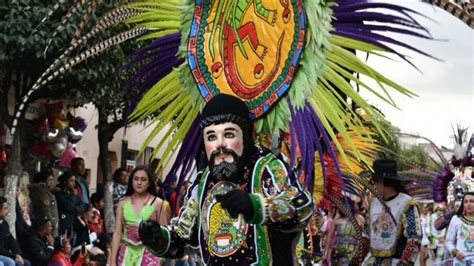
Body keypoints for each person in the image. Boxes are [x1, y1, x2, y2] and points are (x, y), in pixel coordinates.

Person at [138, 94, 313, 265]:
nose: (219, 145)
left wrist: (257, 207)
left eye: (229, 134)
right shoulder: (204, 180)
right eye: (211, 137)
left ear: (248, 134)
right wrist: (157, 238)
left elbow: (302, 205)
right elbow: (181, 237)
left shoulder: (267, 167)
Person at [110, 165, 171, 266]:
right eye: (136, 179)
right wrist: (112, 261)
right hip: (125, 255)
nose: (139, 182)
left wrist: (161, 260)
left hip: (150, 256)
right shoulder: (122, 202)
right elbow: (117, 233)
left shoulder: (158, 203)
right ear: (131, 181)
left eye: (143, 179)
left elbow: (164, 233)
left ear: (149, 183)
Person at [366, 159, 422, 265]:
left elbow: (414, 237)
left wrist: (404, 262)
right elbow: (366, 235)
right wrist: (355, 261)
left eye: (375, 182)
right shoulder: (374, 203)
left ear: (384, 182)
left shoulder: (407, 204)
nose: (373, 186)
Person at [54, 172, 85, 242]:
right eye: (71, 181)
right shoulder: (59, 192)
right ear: (65, 181)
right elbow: (67, 206)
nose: (74, 183)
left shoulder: (74, 191)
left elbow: (82, 206)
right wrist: (73, 196)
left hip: (73, 223)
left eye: (74, 181)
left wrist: (75, 209)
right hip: (63, 223)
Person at [0, 196, 31, 266]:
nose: (7, 211)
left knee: (26, 263)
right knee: (11, 262)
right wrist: (14, 256)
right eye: (5, 209)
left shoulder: (4, 223)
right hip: (2, 254)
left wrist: (18, 254)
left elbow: (12, 241)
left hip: (6, 254)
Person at [445, 191, 474, 264]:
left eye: (472, 201)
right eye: (466, 202)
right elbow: (448, 241)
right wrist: (455, 252)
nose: (468, 204)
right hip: (460, 262)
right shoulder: (456, 219)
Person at [28, 171, 59, 237]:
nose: (51, 182)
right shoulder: (42, 193)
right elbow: (46, 211)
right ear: (43, 181)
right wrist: (52, 225)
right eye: (49, 180)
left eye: (52, 180)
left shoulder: (48, 192)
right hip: (46, 227)